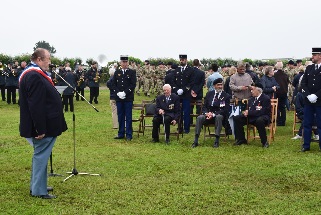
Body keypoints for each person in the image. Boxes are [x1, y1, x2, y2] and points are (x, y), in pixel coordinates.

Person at [19, 48, 67, 199]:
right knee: (40, 156)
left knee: (41, 156)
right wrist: (40, 129)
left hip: (46, 123)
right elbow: (36, 105)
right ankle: (39, 190)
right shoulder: (34, 75)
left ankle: (38, 184)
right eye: (48, 59)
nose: (50, 62)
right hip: (43, 126)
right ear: (39, 59)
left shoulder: (33, 73)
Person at [192, 78, 230, 148]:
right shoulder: (209, 94)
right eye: (218, 85)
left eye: (221, 85)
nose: (220, 87)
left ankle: (216, 140)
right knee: (200, 117)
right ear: (214, 86)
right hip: (208, 115)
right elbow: (204, 106)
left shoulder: (226, 96)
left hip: (218, 115)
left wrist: (213, 114)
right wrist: (206, 113)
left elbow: (225, 109)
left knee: (219, 117)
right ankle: (196, 140)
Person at [233, 82, 271, 148]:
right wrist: (245, 112)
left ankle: (264, 142)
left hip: (262, 117)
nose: (251, 91)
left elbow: (263, 111)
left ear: (258, 90)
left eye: (253, 90)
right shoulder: (251, 99)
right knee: (237, 118)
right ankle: (241, 139)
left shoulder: (265, 98)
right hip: (251, 117)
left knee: (259, 121)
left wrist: (249, 112)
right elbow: (248, 109)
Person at [300, 47, 321, 152]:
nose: (312, 57)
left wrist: (316, 95)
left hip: (320, 101)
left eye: (314, 54)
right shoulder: (309, 68)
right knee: (307, 123)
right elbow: (303, 83)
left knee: (320, 124)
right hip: (308, 101)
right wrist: (308, 95)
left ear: (320, 55)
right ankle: (306, 145)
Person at [111, 55, 136, 141]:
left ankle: (129, 134)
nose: (124, 64)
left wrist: (125, 92)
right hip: (119, 98)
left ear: (128, 63)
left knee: (128, 116)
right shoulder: (117, 72)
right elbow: (113, 84)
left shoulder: (132, 72)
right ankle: (121, 133)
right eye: (123, 62)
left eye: (126, 62)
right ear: (120, 63)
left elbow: (133, 85)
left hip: (128, 98)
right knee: (120, 116)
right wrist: (118, 92)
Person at [172, 54, 194, 133]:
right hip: (178, 95)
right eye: (180, 60)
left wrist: (183, 90)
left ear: (186, 60)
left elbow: (191, 83)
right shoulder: (177, 70)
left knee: (186, 112)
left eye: (183, 60)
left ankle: (186, 128)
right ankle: (180, 127)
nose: (181, 61)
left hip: (186, 95)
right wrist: (177, 89)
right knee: (179, 112)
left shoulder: (190, 70)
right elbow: (173, 81)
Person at [274, 61, 289, 126]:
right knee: (283, 108)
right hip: (284, 92)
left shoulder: (274, 75)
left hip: (277, 92)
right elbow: (288, 83)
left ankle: (279, 121)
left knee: (277, 107)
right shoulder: (285, 75)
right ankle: (283, 121)